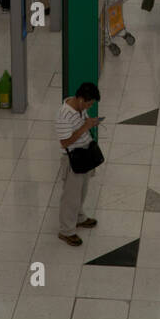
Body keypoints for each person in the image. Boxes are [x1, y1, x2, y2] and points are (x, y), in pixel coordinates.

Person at [56, 81, 102, 246]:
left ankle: (79, 217)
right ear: (81, 99)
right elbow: (65, 142)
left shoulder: (81, 109)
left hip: (85, 155)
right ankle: (66, 230)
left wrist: (90, 123)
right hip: (73, 158)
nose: (89, 107)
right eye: (88, 104)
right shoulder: (64, 115)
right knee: (71, 196)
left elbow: (82, 125)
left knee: (82, 191)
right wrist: (85, 127)